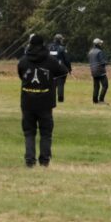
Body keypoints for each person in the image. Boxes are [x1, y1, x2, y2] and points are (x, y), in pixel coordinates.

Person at [17, 34, 69, 167]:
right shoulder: (50, 61)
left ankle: (30, 160)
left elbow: (21, 75)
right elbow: (63, 71)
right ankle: (44, 160)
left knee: (29, 132)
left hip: (27, 101)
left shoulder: (23, 60)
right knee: (46, 133)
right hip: (45, 103)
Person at [47, 34, 72, 103]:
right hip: (61, 70)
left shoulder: (49, 47)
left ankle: (51, 99)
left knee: (52, 85)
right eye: (61, 39)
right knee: (60, 84)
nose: (62, 40)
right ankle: (60, 99)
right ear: (59, 40)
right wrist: (69, 69)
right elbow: (67, 60)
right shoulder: (62, 48)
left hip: (50, 69)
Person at [88, 38, 109, 104]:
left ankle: (95, 101)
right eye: (100, 43)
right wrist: (106, 62)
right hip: (100, 71)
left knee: (96, 86)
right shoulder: (99, 52)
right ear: (98, 44)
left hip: (93, 71)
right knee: (105, 85)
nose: (101, 44)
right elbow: (102, 62)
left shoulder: (90, 52)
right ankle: (101, 100)